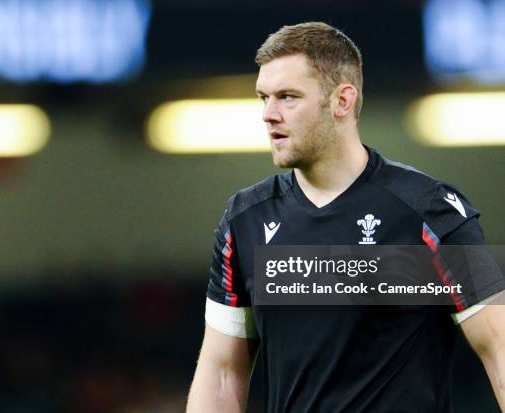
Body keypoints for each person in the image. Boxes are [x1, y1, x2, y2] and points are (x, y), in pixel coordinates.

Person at [186, 22, 505, 412]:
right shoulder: (245, 221)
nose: (268, 114)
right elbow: (221, 372)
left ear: (343, 101)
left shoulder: (430, 211)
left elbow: (499, 346)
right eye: (263, 98)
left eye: (287, 97)